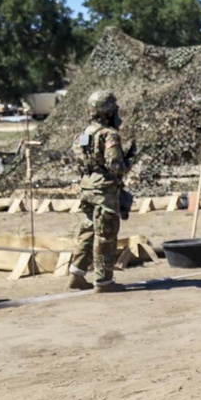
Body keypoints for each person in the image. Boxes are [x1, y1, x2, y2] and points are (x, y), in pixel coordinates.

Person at [67, 90, 131, 293]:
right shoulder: (108, 135)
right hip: (104, 190)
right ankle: (104, 280)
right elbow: (115, 165)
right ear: (108, 112)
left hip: (87, 187)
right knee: (105, 233)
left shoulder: (85, 134)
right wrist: (127, 162)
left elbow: (79, 158)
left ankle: (76, 274)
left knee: (87, 231)